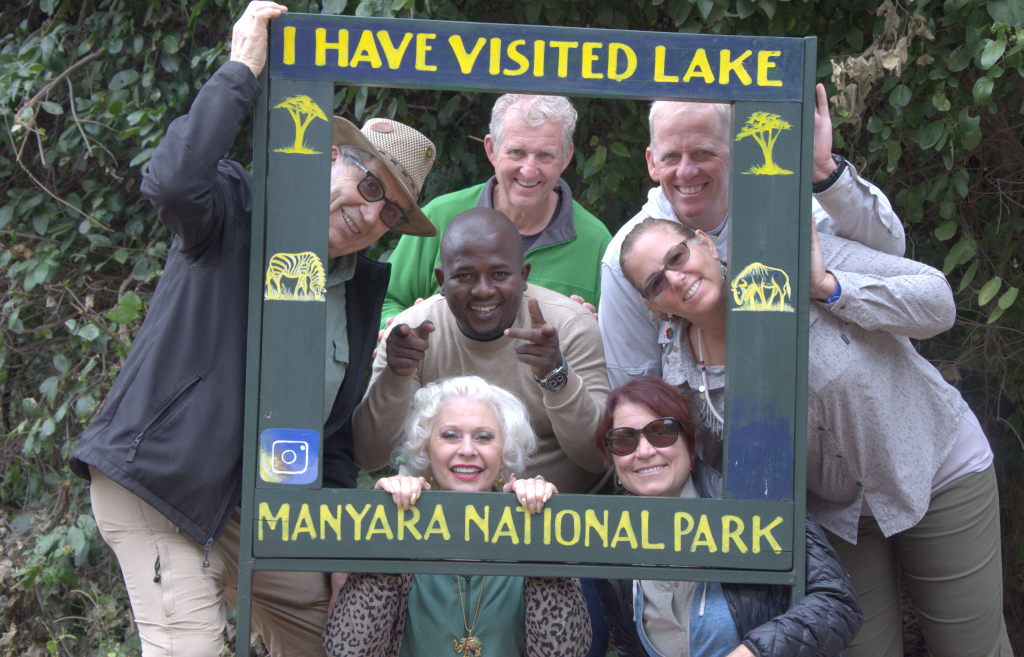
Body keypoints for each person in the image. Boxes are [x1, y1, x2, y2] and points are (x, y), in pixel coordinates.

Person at [68, 1, 440, 657]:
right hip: (163, 484)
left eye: (391, 211)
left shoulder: (359, 295)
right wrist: (243, 69)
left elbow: (333, 441)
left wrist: (334, 552)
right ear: (330, 158)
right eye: (367, 183)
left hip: (263, 512)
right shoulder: (240, 210)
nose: (370, 211)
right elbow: (173, 183)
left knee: (346, 642)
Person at [615, 217, 1010, 657]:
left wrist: (826, 285)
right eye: (655, 282)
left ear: (704, 242)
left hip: (935, 469)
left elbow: (939, 304)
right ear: (656, 306)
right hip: (838, 515)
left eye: (677, 256)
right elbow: (711, 473)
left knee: (971, 648)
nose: (675, 277)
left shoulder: (792, 261)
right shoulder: (684, 374)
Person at [599, 87, 907, 389]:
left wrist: (824, 171)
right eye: (671, 157)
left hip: (854, 398)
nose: (687, 170)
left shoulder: (783, 200)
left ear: (736, 148)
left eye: (702, 152)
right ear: (652, 162)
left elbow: (889, 251)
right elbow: (639, 387)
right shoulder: (625, 260)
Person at [323, 376, 592, 657]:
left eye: (484, 437)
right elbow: (349, 651)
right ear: (427, 448)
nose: (466, 450)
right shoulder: (398, 524)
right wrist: (387, 529)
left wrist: (539, 532)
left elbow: (566, 652)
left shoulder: (531, 528)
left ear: (504, 454)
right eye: (450, 435)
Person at [593, 377, 862, 657]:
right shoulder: (610, 539)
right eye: (624, 440)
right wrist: (543, 507)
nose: (645, 451)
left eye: (661, 432)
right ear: (611, 456)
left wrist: (755, 652)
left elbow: (838, 603)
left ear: (690, 441)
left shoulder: (759, 507)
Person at [354, 208, 610, 494]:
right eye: (464, 276)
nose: (483, 290)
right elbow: (369, 456)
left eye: (499, 274)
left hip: (558, 518)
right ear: (441, 281)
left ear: (523, 275)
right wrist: (396, 376)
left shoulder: (569, 326)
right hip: (437, 515)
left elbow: (598, 457)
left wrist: (556, 375)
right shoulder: (411, 333)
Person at [380, 93, 612, 327]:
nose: (529, 171)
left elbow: (616, 339)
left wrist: (594, 328)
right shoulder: (439, 218)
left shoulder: (596, 241)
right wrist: (400, 327)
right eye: (516, 152)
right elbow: (384, 299)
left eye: (545, 155)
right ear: (491, 149)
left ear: (566, 157)